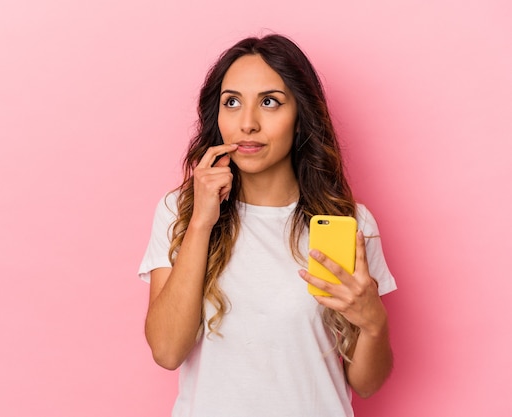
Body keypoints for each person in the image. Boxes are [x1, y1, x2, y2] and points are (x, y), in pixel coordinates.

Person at [138, 33, 397, 417]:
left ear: (301, 115)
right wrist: (201, 223)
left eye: (270, 102)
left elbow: (367, 384)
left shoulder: (350, 223)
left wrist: (374, 323)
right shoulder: (180, 210)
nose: (248, 123)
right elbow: (166, 350)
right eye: (232, 102)